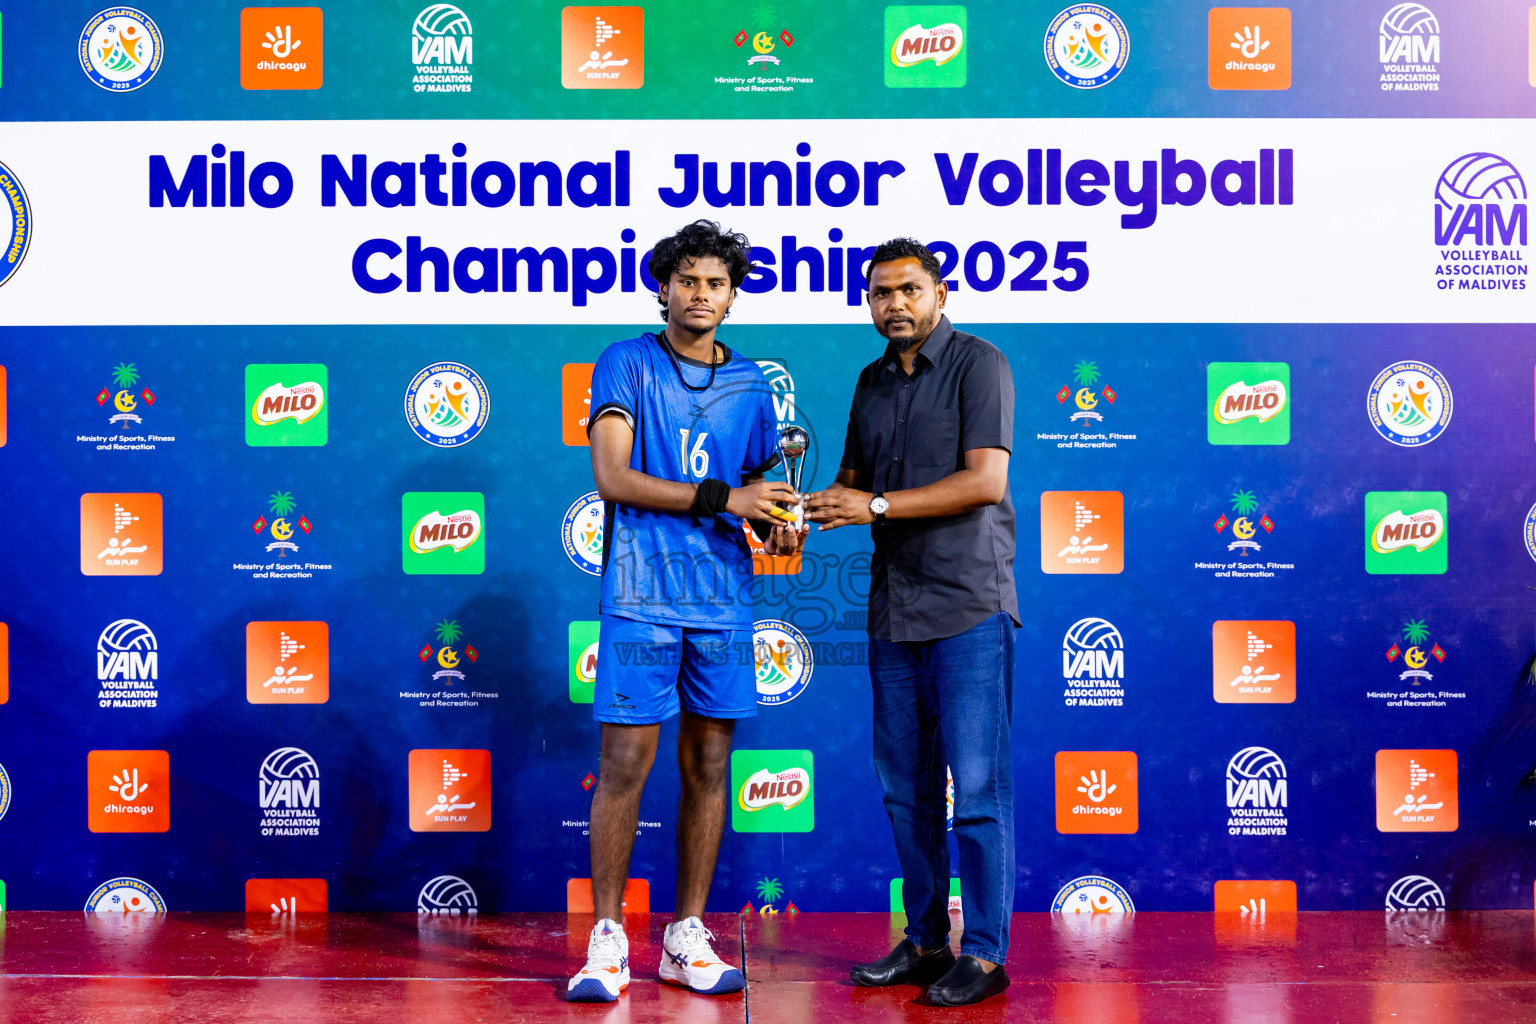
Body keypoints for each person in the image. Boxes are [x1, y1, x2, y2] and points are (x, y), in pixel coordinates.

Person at [568, 219, 807, 1003]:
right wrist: (728, 497)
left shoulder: (751, 386)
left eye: (716, 283)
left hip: (723, 603)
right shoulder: (627, 361)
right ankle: (608, 938)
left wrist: (777, 517)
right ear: (664, 287)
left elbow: (759, 497)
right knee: (624, 767)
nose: (701, 294)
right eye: (688, 280)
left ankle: (685, 936)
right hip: (640, 597)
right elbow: (613, 477)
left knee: (709, 769)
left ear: (733, 296)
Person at [805, 238, 1018, 1007]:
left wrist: (877, 507)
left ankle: (986, 955)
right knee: (906, 791)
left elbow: (985, 479)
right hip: (893, 611)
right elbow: (852, 487)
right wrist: (798, 506)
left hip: (967, 607)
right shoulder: (869, 383)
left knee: (980, 790)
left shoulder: (979, 363)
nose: (892, 304)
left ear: (939, 293)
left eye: (908, 290)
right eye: (879, 293)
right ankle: (927, 941)